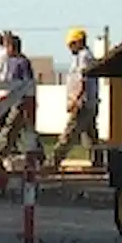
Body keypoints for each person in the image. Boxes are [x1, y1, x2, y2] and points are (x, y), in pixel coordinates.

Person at [0, 35, 44, 171]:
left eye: (7, 46)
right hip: (12, 101)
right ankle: (38, 157)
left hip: (20, 102)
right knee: (22, 132)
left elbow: (24, 85)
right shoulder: (11, 62)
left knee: (10, 131)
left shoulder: (22, 63)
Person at [49, 28, 103, 168]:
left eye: (72, 43)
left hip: (82, 103)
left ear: (79, 42)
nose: (69, 47)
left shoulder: (84, 57)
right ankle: (98, 162)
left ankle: (53, 161)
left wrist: (75, 100)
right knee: (91, 135)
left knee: (70, 133)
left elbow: (82, 80)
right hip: (89, 102)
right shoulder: (83, 56)